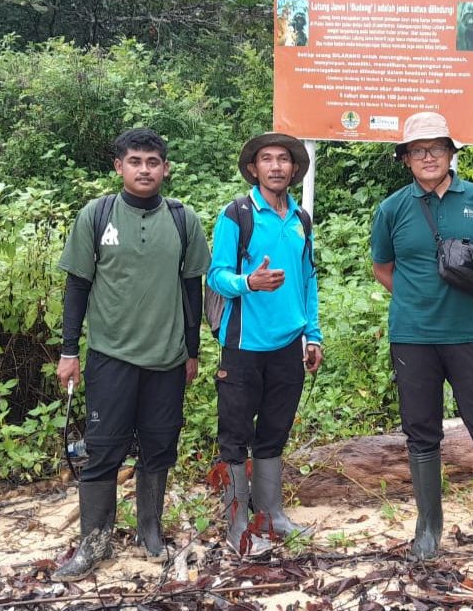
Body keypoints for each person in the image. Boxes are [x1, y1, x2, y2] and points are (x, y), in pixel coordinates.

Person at [370, 111, 473, 569]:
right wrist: (415, 298)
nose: (428, 157)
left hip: (469, 334)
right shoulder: (392, 209)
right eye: (418, 150)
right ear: (405, 159)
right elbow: (382, 268)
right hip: (413, 338)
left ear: (451, 153)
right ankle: (428, 532)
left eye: (437, 148)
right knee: (421, 433)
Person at [53, 128, 211, 580]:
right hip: (110, 356)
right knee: (103, 451)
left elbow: (191, 289)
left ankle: (150, 532)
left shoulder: (184, 219)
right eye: (136, 161)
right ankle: (94, 544)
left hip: (167, 358)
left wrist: (192, 350)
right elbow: (77, 286)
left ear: (165, 168)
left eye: (153, 161)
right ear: (119, 167)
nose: (145, 169)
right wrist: (69, 352)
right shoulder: (97, 215)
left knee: (159, 448)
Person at [209, 133, 322, 551]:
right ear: (254, 169)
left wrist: (313, 334)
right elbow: (216, 275)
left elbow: (308, 281)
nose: (276, 166)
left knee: (274, 430)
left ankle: (272, 514)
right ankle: (237, 522)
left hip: (288, 344)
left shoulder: (300, 219)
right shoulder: (236, 214)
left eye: (283, 160)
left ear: (294, 169)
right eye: (266, 159)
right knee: (236, 433)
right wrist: (248, 282)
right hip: (243, 343)